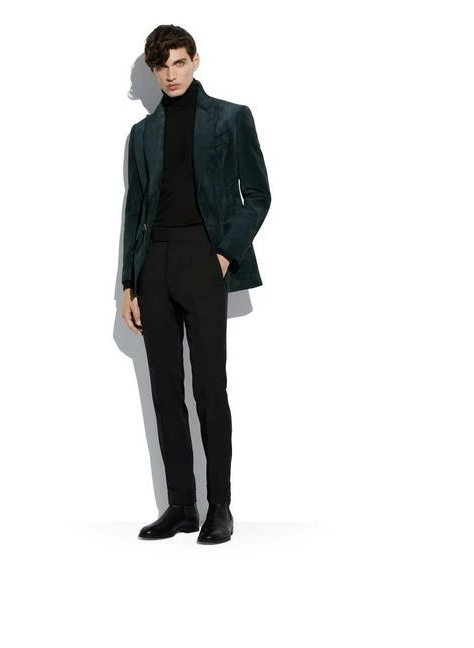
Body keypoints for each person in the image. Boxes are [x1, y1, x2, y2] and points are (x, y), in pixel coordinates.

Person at [121, 24, 271, 544]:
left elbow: (258, 194)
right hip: (154, 266)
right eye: (162, 66)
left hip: (204, 260)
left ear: (195, 61)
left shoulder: (230, 118)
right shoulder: (142, 134)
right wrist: (129, 285)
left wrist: (225, 254)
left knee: (209, 388)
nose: (171, 74)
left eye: (179, 62)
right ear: (153, 70)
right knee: (165, 390)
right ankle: (182, 505)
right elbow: (135, 209)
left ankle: (220, 506)